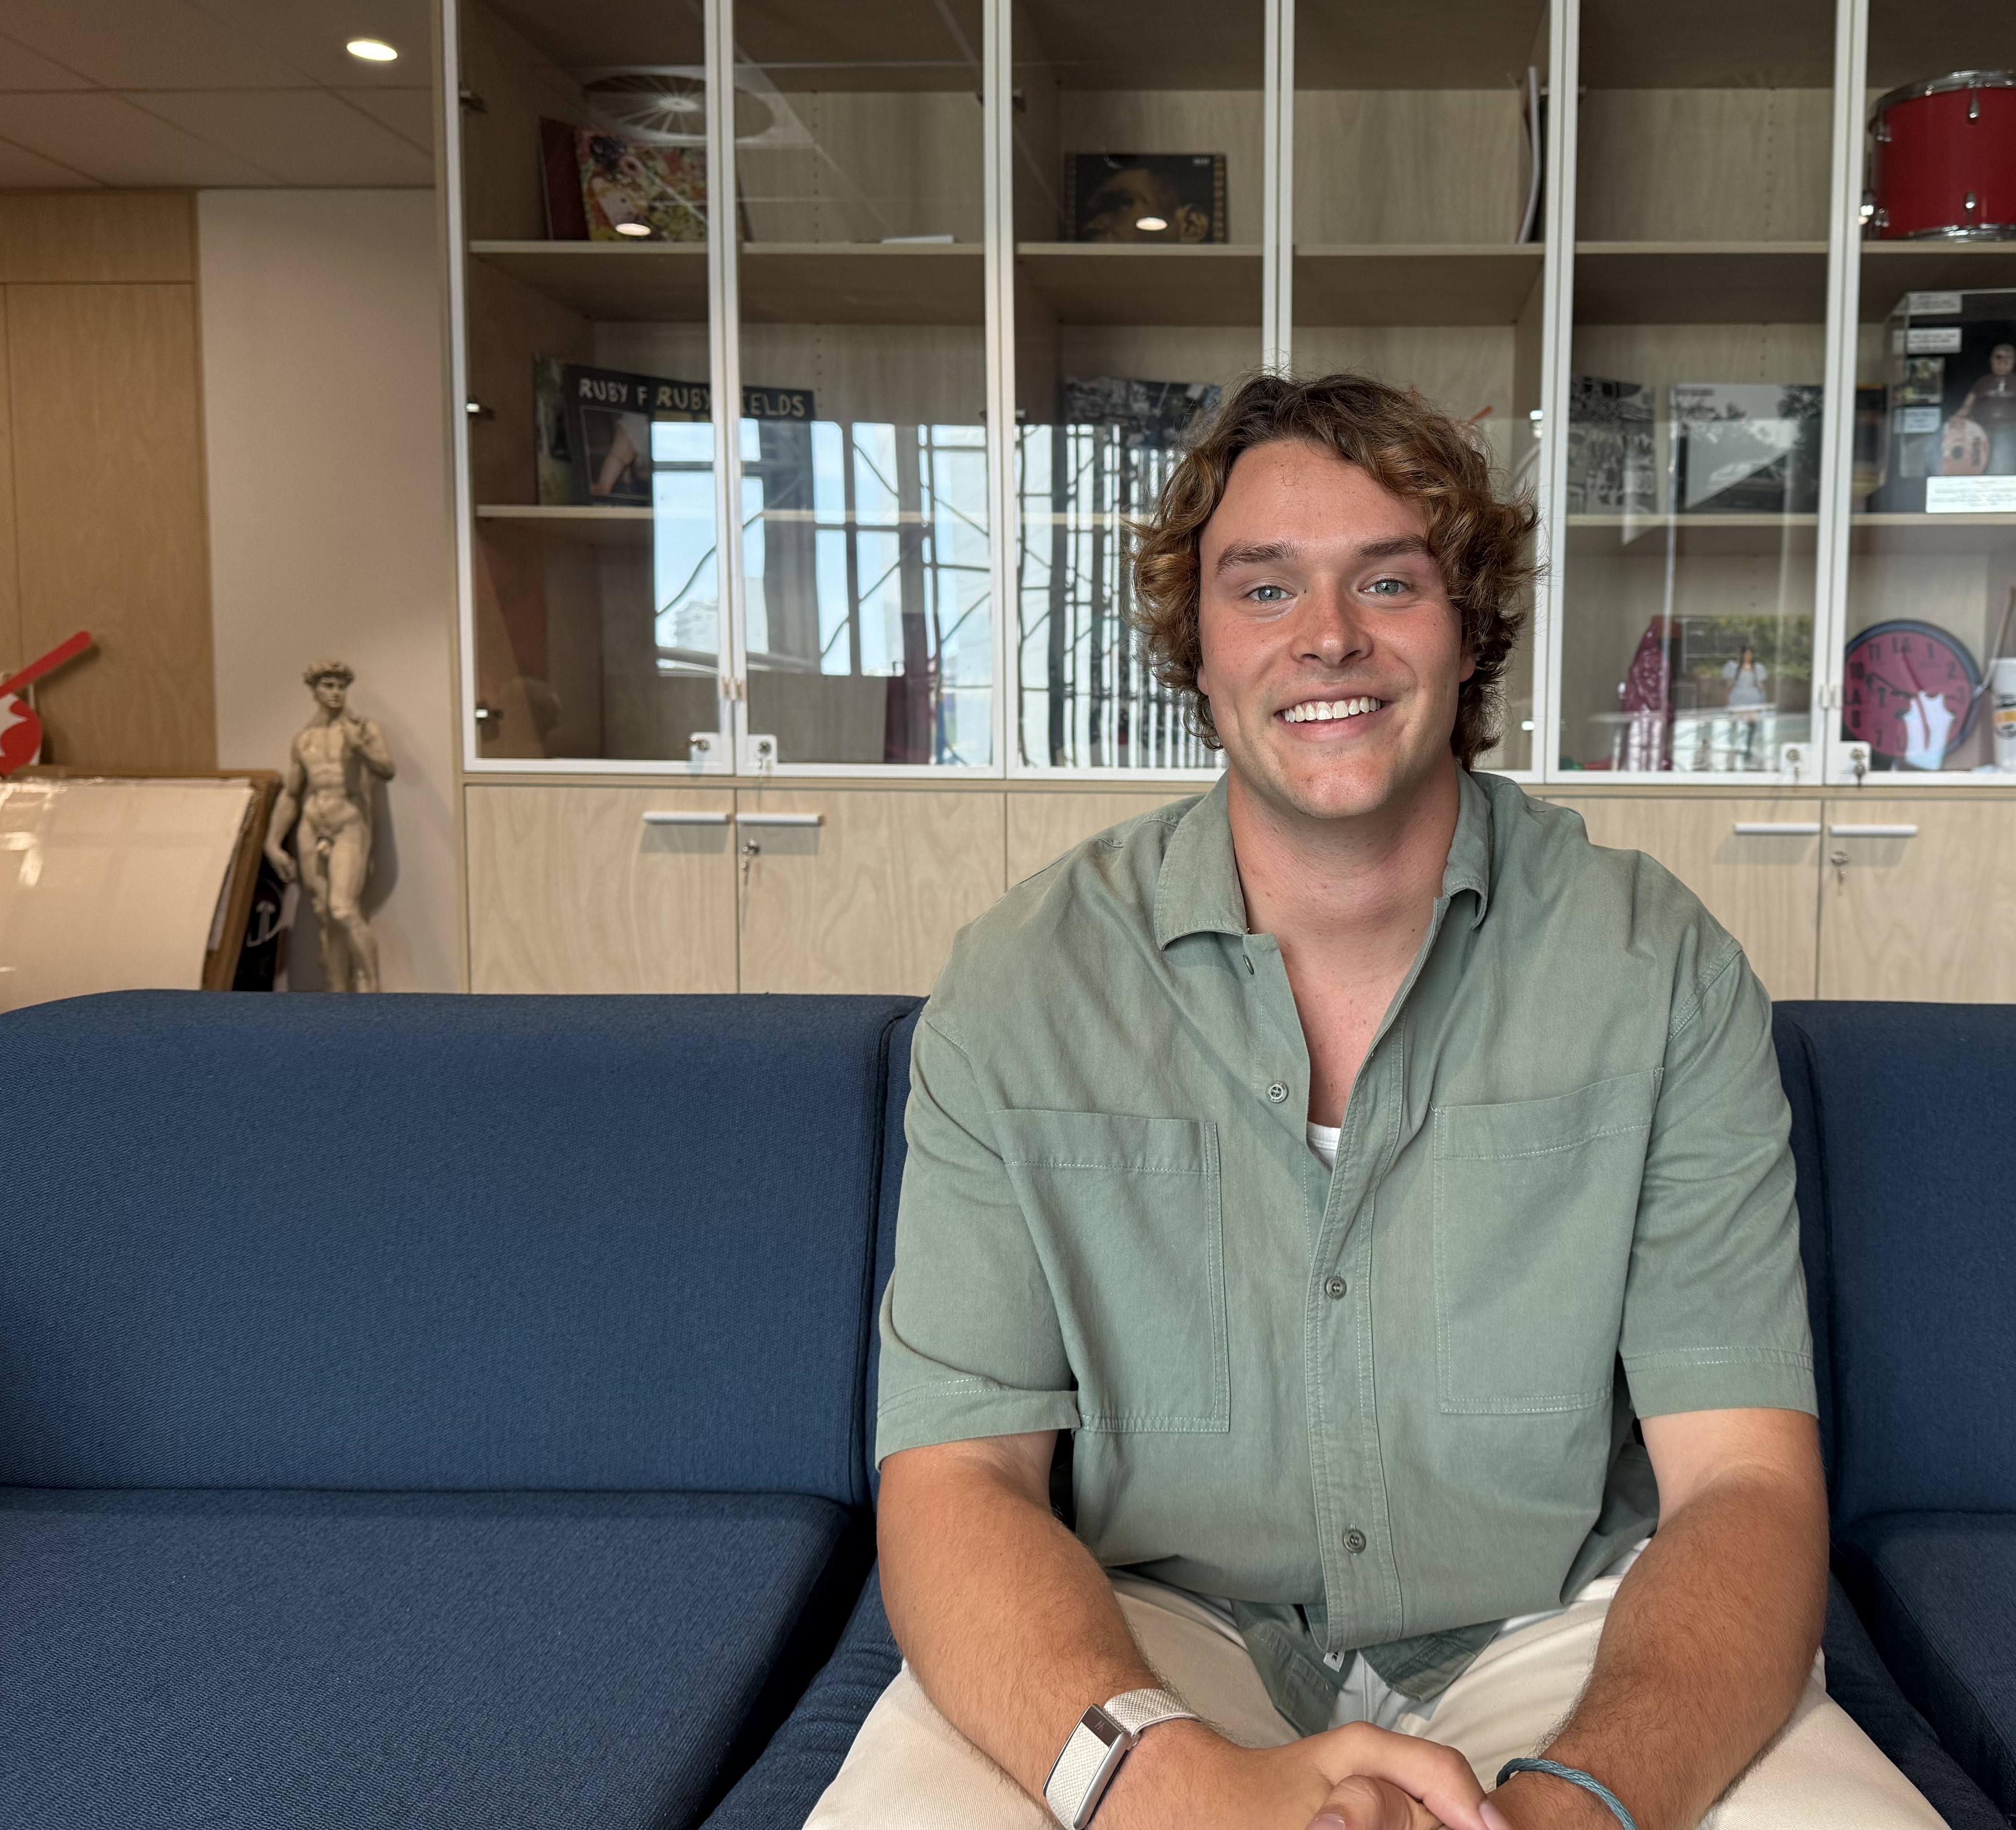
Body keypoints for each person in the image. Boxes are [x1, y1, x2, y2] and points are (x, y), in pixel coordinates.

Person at [820, 374, 1943, 1830]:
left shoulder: (1656, 970)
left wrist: (1582, 1799)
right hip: (1145, 1633)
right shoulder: (1024, 983)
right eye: (1265, 585)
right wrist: (1169, 1785)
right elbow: (958, 1474)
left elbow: (1744, 1483)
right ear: (1198, 643)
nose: (1327, 637)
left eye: (1390, 580)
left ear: (1469, 628)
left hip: (1565, 1634)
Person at [262, 658, 393, 994]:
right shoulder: (304, 740)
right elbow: (291, 795)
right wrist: (273, 843)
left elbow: (387, 769)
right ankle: (337, 994)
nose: (336, 693)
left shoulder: (361, 729)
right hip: (311, 823)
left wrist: (360, 747)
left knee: (343, 909)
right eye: (328, 686)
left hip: (348, 822)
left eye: (341, 686)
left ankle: (371, 990)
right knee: (323, 912)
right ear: (315, 690)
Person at [1956, 343, 2016, 475]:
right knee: (1977, 465)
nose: (2002, 362)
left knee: (2001, 467)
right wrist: (1957, 420)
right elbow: (1968, 405)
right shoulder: (1982, 382)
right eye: (1998, 358)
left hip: (2009, 430)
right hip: (1980, 431)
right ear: (1991, 360)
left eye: (2007, 358)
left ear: (2013, 361)